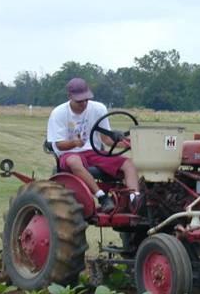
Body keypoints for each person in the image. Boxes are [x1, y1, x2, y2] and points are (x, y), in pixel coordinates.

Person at [46, 77, 140, 212]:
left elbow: (106, 139)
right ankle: (102, 197)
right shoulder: (59, 113)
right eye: (79, 101)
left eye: (86, 99)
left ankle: (135, 199)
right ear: (70, 97)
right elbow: (59, 145)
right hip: (69, 153)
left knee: (129, 164)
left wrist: (127, 143)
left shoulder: (98, 109)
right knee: (74, 161)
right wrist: (74, 143)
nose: (84, 103)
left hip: (93, 151)